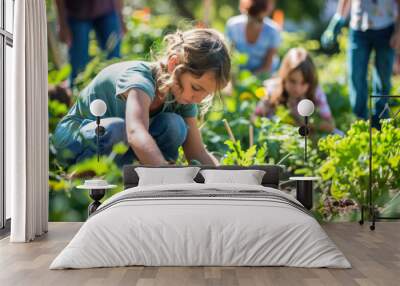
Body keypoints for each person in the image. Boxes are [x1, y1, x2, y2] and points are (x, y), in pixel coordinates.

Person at [52, 28, 231, 167]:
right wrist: (163, 175)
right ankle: (81, 178)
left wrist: (222, 184)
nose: (198, 99)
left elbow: (197, 152)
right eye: (196, 87)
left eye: (206, 93)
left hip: (115, 147)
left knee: (174, 125)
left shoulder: (182, 95)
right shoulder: (138, 79)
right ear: (173, 64)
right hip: (75, 141)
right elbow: (135, 132)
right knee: (117, 129)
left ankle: (141, 179)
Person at [321, 0, 400, 128]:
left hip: (385, 27)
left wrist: (398, 30)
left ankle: (381, 121)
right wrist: (338, 19)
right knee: (356, 76)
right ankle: (360, 121)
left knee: (383, 78)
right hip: (358, 27)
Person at [253, 48, 336, 134]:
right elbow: (254, 117)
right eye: (292, 81)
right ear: (284, 76)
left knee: (337, 133)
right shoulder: (273, 90)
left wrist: (307, 124)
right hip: (277, 136)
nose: (297, 88)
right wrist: (267, 123)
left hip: (305, 137)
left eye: (304, 83)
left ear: (310, 82)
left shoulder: (315, 93)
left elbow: (330, 124)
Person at [55, 0, 126, 87]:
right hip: (77, 13)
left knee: (114, 61)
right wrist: (62, 23)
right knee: (79, 68)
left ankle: (116, 95)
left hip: (107, 10)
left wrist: (121, 17)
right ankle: (77, 96)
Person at [225, 0, 281, 78]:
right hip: (237, 74)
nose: (255, 23)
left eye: (259, 19)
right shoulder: (233, 25)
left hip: (262, 75)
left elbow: (267, 66)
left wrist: (248, 79)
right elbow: (229, 57)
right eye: (252, 15)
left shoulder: (273, 31)